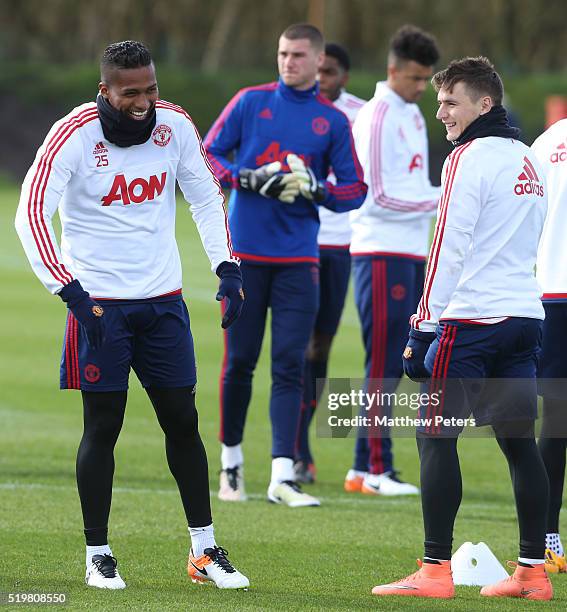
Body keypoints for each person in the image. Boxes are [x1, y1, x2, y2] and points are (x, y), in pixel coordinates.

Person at [15, 40, 249, 590]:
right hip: (98, 307)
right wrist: (70, 293)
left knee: (183, 423)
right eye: (130, 92)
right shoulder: (72, 135)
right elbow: (31, 212)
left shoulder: (175, 126)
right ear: (105, 91)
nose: (144, 101)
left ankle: (205, 550)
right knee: (104, 427)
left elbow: (205, 194)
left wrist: (227, 268)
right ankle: (97, 552)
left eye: (150, 88)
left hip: (163, 302)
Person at [372, 56, 552, 600]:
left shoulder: (465, 158)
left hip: (469, 322)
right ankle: (531, 574)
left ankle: (433, 572)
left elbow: (447, 245)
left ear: (484, 104)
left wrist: (423, 328)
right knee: (521, 445)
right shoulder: (528, 158)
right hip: (524, 317)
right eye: (440, 101)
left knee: (435, 438)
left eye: (452, 102)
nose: (441, 112)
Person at [205, 24, 367, 507]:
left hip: (300, 260)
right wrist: (244, 178)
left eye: (297, 55)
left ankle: (282, 476)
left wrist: (318, 190)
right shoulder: (250, 102)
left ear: (318, 61)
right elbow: (206, 155)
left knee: (291, 365)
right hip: (246, 258)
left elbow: (354, 190)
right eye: (282, 53)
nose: (287, 61)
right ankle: (231, 466)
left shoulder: (331, 121)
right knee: (239, 363)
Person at [345, 25, 440, 496]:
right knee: (384, 360)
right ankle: (378, 469)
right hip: (380, 250)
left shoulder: (413, 114)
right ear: (393, 71)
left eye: (427, 80)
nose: (422, 88)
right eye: (416, 78)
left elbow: (411, 184)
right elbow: (376, 194)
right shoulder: (378, 115)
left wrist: (431, 198)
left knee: (405, 357)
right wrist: (442, 199)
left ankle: (363, 467)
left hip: (411, 249)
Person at [294, 42, 366, 484]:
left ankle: (300, 445)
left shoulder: (363, 115)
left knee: (320, 347)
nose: (322, 79)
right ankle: (297, 449)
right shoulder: (288, 109)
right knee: (295, 347)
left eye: (331, 72)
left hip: (340, 244)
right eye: (317, 71)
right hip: (295, 245)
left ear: (345, 76)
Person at [532, 118, 567, 574]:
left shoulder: (549, 139)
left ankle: (545, 538)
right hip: (553, 294)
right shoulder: (549, 140)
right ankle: (545, 537)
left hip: (550, 295)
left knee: (556, 419)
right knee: (556, 419)